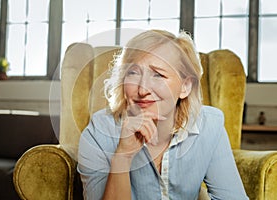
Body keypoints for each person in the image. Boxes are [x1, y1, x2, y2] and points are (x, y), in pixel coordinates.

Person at [77, 29, 249, 200]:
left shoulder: (210, 125)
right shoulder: (98, 132)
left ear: (185, 86)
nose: (142, 90)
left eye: (158, 75)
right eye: (133, 73)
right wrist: (123, 157)